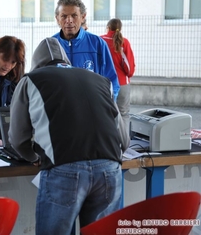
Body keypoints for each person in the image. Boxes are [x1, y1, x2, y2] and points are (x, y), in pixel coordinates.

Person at [8, 37, 129, 234]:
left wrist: (34, 157)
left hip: (64, 168)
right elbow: (124, 140)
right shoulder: (101, 80)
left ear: (36, 62)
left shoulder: (31, 79)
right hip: (110, 168)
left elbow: (17, 138)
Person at [52, 0, 120, 100]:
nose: (69, 20)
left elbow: (111, 81)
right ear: (57, 19)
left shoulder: (98, 44)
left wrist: (108, 106)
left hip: (91, 110)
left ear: (83, 17)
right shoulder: (51, 45)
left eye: (74, 15)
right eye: (64, 16)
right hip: (60, 111)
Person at [101, 18, 136, 134]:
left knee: (104, 114)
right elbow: (129, 69)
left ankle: (107, 143)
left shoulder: (100, 40)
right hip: (122, 84)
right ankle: (123, 144)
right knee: (124, 114)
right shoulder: (124, 42)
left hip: (104, 84)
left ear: (107, 27)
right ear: (120, 29)